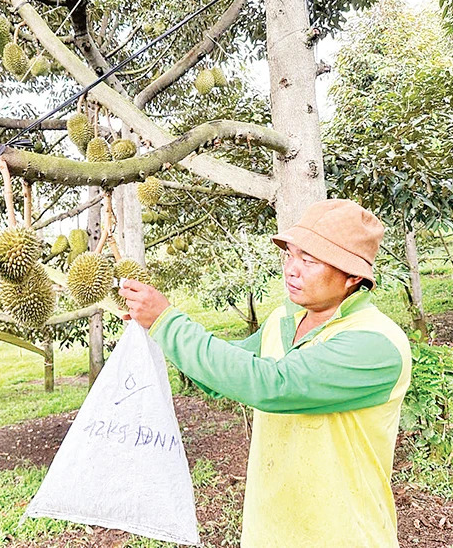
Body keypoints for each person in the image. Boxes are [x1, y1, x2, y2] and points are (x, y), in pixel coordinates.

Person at [118, 199, 411, 548]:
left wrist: (167, 322)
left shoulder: (376, 343)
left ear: (353, 276)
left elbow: (271, 384)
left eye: (309, 260)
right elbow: (223, 375)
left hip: (341, 536)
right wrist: (154, 328)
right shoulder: (283, 321)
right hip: (269, 531)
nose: (292, 269)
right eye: (290, 254)